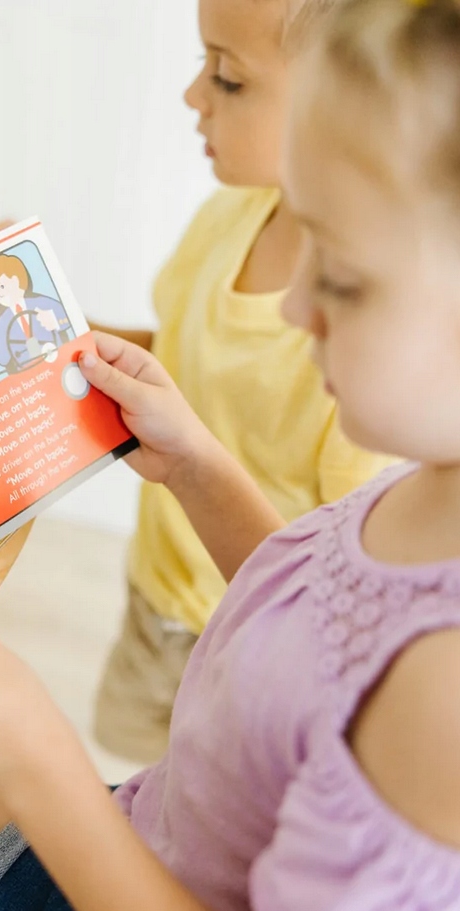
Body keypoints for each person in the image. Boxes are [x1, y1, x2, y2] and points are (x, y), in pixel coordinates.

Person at [0, 0, 460, 908]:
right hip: (142, 829)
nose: (293, 303)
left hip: (112, 861)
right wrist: (198, 467)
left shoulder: (442, 704)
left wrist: (30, 756)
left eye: (341, 278)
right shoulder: (431, 486)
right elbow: (321, 626)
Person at [90, 0, 396, 763]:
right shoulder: (228, 215)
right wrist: (56, 328)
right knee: (135, 777)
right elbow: (179, 353)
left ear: (345, 102)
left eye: (227, 78)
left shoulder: (359, 352)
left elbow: (326, 592)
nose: (193, 94)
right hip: (155, 597)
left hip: (252, 641)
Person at [0, 254, 72, 372]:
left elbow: (68, 317)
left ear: (16, 280)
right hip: (28, 373)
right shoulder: (3, 320)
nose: (0, 294)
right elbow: (2, 355)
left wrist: (54, 320)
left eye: (2, 286)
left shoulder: (41, 303)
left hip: (57, 360)